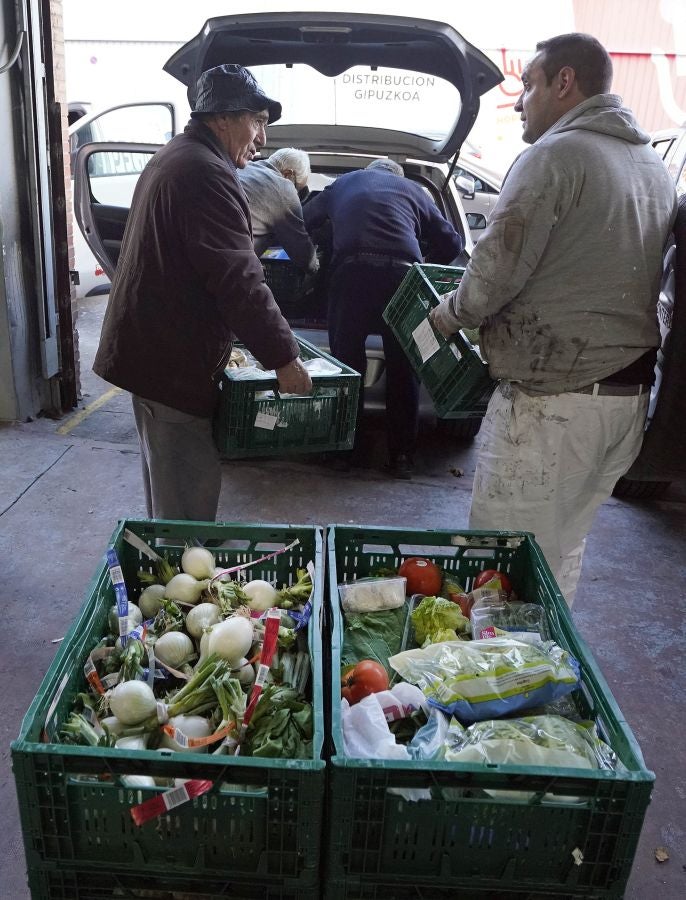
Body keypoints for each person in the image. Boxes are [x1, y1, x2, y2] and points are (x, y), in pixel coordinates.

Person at [430, 33, 677, 605]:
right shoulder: (649, 165)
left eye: (529, 85)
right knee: (559, 553)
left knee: (502, 565)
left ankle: (498, 679)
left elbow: (493, 272)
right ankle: (545, 670)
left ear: (564, 83)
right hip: (621, 401)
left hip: (554, 407)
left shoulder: (556, 156)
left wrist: (448, 316)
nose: (519, 102)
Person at [93, 64, 312, 522]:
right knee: (185, 508)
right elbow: (239, 278)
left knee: (170, 492)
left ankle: (168, 574)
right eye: (257, 121)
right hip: (170, 363)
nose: (262, 138)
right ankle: (178, 586)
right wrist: (284, 359)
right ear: (222, 118)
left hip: (156, 354)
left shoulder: (182, 155)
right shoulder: (204, 174)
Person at [303, 158, 463, 478]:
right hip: (402, 279)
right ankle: (401, 456)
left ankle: (343, 454)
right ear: (397, 176)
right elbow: (453, 243)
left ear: (370, 171)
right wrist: (424, 265)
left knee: (347, 367)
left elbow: (303, 218)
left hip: (352, 273)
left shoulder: (346, 182)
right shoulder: (415, 191)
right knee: (404, 367)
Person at [238, 147, 319, 272]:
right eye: (297, 188)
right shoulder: (283, 188)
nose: (295, 193)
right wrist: (316, 264)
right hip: (230, 266)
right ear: (288, 174)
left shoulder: (243, 168)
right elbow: (304, 258)